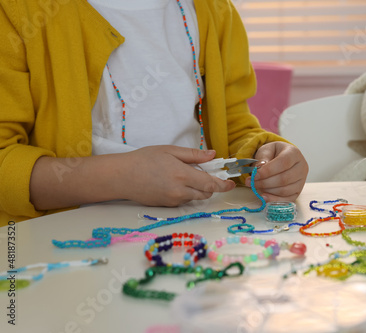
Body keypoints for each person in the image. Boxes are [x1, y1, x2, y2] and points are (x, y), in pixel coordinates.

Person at [0, 0, 308, 226]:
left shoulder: (215, 11)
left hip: (203, 231)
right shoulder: (19, 12)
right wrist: (122, 177)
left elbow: (234, 129)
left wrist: (265, 156)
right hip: (67, 239)